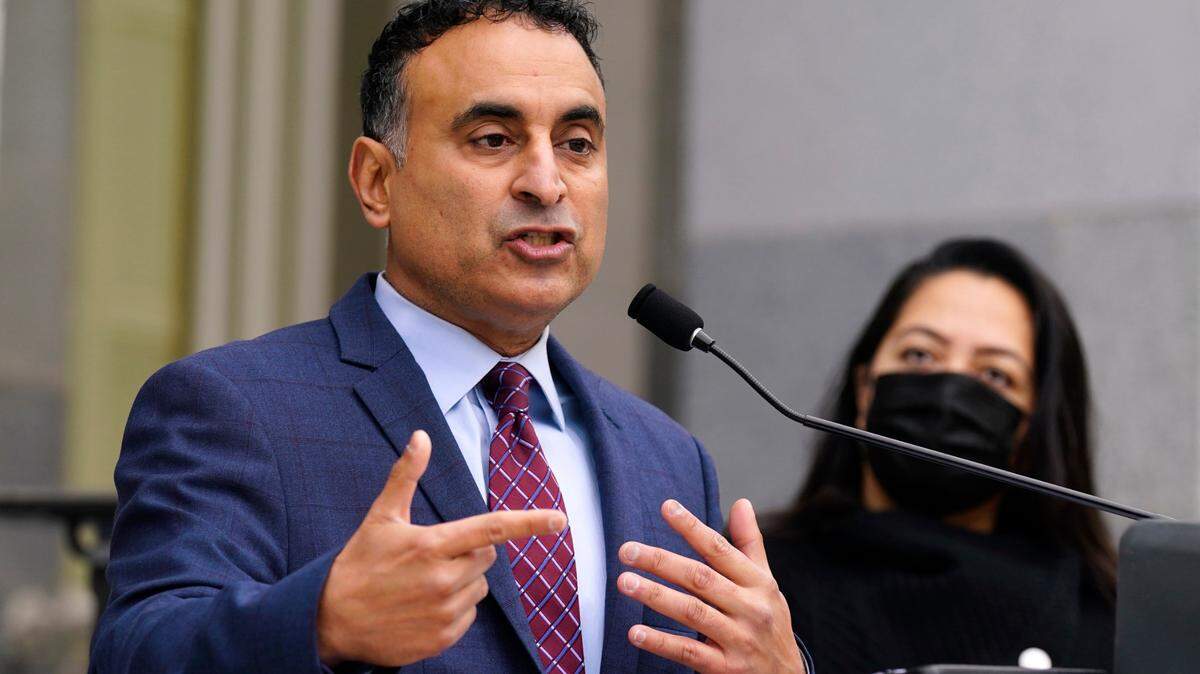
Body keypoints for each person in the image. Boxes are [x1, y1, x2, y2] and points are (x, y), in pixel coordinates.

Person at [89, 2, 811, 673]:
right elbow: (137, 649)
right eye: (494, 139)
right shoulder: (234, 407)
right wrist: (320, 620)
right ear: (376, 181)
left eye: (578, 143)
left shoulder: (668, 457)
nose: (546, 182)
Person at [764, 238, 1115, 673]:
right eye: (919, 354)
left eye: (994, 375)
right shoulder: (759, 583)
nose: (949, 393)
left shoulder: (1111, 622)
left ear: (1033, 428)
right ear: (864, 389)